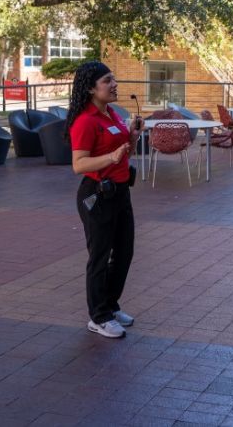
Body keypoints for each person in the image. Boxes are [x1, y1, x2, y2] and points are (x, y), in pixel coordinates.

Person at [66, 61, 143, 339]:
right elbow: (79, 165)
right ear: (90, 89)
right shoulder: (86, 121)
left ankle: (110, 306)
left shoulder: (111, 114)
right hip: (97, 195)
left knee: (124, 253)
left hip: (121, 192)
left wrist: (133, 137)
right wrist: (110, 157)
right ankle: (98, 317)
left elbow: (125, 155)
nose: (114, 84)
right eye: (107, 81)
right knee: (100, 257)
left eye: (114, 79)